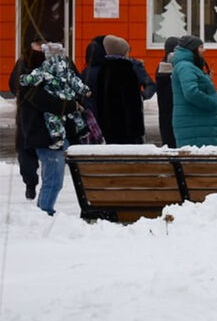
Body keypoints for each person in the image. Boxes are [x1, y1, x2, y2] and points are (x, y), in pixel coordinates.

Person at [16, 43, 88, 216]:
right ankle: (44, 213)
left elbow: (74, 86)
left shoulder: (52, 73)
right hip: (46, 137)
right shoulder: (32, 79)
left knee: (54, 180)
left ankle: (44, 212)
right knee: (53, 180)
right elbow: (51, 104)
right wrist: (73, 105)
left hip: (54, 135)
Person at [9, 42, 46, 200]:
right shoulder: (56, 63)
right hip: (48, 115)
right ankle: (45, 187)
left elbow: (13, 85)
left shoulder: (23, 62)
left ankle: (31, 184)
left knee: (26, 149)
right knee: (47, 152)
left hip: (27, 114)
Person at [171, 35, 217, 147]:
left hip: (196, 125)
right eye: (201, 47)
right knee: (199, 162)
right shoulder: (186, 67)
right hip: (195, 126)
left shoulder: (188, 66)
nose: (205, 50)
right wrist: (212, 103)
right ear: (192, 50)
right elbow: (191, 92)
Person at [96, 36, 146, 144]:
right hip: (126, 129)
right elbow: (132, 104)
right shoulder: (126, 70)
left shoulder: (103, 69)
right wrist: (138, 130)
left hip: (108, 126)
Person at [156, 37, 179, 147]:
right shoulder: (167, 67)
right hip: (170, 111)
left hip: (165, 113)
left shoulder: (161, 66)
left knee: (169, 143)